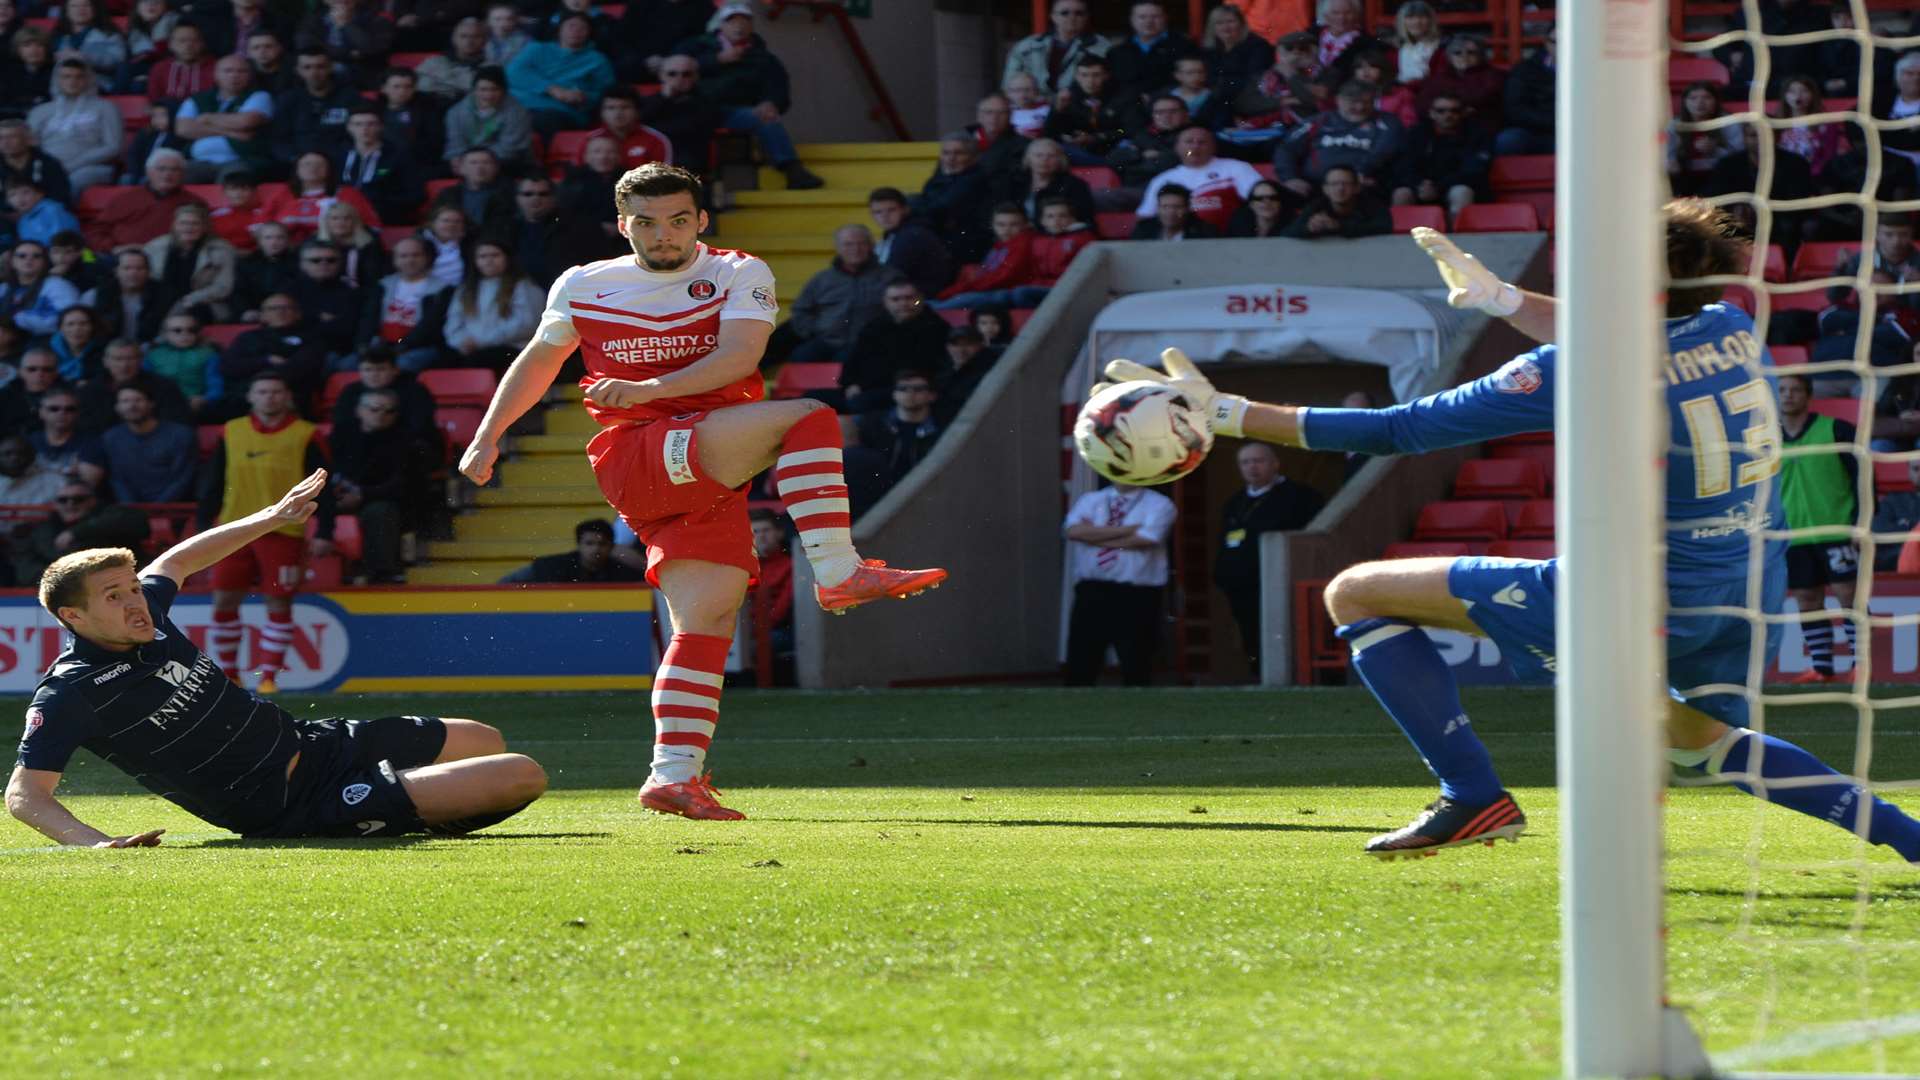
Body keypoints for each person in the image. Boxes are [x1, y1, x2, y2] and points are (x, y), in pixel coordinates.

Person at [1104, 208, 1920, 865]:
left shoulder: (1577, 369)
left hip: (1630, 593)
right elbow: (1631, 329)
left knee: (1356, 592)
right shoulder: (1729, 322)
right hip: (1743, 581)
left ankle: (1472, 796)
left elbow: (1397, 430)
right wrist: (1505, 303)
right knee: (1706, 747)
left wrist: (1223, 413)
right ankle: (1908, 839)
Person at [457, 162, 947, 820]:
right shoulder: (583, 285)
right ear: (622, 224)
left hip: (702, 465)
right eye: (649, 223)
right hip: (639, 450)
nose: (665, 235)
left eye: (679, 220)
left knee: (707, 622)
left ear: (700, 220)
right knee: (809, 417)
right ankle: (837, 570)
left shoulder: (738, 271)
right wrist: (488, 436)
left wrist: (648, 387)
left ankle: (673, 776)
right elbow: (539, 360)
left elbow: (741, 359)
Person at [7, 476, 548, 845]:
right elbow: (24, 796)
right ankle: (388, 811)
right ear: (72, 617)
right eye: (114, 597)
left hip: (316, 743)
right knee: (523, 773)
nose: (135, 603)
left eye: (131, 587)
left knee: (483, 738)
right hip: (291, 805)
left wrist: (273, 516)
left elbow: (179, 558)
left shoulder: (151, 612)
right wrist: (101, 845)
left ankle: (406, 797)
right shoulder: (71, 692)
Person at [199, 372, 335, 693]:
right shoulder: (231, 432)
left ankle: (269, 680)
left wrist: (325, 529)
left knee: (278, 603)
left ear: (287, 397)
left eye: (276, 391)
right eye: (263, 391)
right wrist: (205, 527)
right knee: (224, 601)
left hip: (284, 529)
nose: (269, 397)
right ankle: (231, 674)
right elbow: (213, 482)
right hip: (233, 530)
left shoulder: (306, 434)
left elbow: (324, 489)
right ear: (251, 396)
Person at [678, 5, 823, 190]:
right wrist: (717, 60)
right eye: (732, 21)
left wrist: (770, 103)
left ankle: (792, 169)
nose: (739, 26)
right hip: (698, 109)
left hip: (739, 112)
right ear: (720, 26)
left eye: (745, 21)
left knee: (765, 118)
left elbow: (778, 87)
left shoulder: (764, 57)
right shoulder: (696, 46)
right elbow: (676, 69)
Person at [1775, 373, 1859, 682]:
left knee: (1847, 596)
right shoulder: (1766, 439)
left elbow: (1862, 478)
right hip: (1792, 534)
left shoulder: (1836, 430)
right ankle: (1822, 667)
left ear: (1809, 396)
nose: (1788, 395)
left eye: (1795, 390)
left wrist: (1861, 522)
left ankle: (1860, 663)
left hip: (1837, 529)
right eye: (1782, 390)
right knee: (1806, 600)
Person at [1213, 441, 1322, 676]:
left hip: (1278, 581)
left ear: (1275, 464)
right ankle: (1258, 675)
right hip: (1240, 585)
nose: (1252, 467)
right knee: (1249, 634)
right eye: (1246, 462)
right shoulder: (1234, 502)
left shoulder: (1300, 496)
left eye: (1258, 461)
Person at [1062, 479, 1175, 686]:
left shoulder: (1159, 503)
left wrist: (1094, 536)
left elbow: (1147, 539)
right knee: (1082, 655)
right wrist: (1127, 530)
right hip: (1092, 589)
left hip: (1137, 592)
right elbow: (1073, 531)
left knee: (1136, 657)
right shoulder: (1091, 500)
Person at [328, 386, 427, 583]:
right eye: (374, 409)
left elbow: (402, 484)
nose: (381, 415)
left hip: (379, 500)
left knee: (380, 512)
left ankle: (380, 575)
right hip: (336, 496)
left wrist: (362, 494)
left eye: (388, 411)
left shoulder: (406, 440)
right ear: (359, 410)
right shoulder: (340, 435)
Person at [778, 224, 901, 364]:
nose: (855, 249)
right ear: (838, 248)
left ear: (871, 246)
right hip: (826, 341)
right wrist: (814, 331)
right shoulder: (822, 279)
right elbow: (800, 310)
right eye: (848, 244)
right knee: (800, 358)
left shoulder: (890, 277)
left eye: (861, 243)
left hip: (868, 345)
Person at [1273, 80, 1402, 200]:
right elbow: (1287, 149)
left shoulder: (1387, 122)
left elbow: (1383, 152)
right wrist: (1290, 178)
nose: (1360, 107)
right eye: (1353, 102)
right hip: (1314, 187)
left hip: (1363, 185)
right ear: (1338, 100)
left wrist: (1360, 173)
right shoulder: (1318, 121)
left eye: (1366, 102)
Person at [840, 281, 948, 415]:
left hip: (909, 390)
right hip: (868, 387)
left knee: (859, 404)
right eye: (895, 299)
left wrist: (862, 386)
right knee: (816, 398)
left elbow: (926, 367)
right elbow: (854, 359)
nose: (903, 303)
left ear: (920, 299)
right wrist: (851, 383)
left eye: (909, 298)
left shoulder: (936, 328)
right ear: (885, 302)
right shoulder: (874, 327)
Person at [489, 174, 613, 288]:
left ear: (554, 197)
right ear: (517, 198)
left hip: (568, 296)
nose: (536, 198)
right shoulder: (504, 228)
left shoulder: (581, 228)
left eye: (543, 194)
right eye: (528, 194)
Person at [11, 481, 149, 583]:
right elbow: (26, 569)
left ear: (92, 501)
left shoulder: (111, 518)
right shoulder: (43, 530)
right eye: (63, 500)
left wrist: (77, 532)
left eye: (78, 499)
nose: (70, 504)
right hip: (61, 592)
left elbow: (137, 522)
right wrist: (61, 578)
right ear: (55, 504)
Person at [1136, 126, 1263, 233]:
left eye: (1202, 142)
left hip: (1230, 239)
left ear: (1213, 147)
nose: (1195, 146)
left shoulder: (1237, 168)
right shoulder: (1163, 179)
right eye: (1189, 142)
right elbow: (1145, 216)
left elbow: (1262, 199)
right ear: (1177, 147)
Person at [505, 12, 613, 136]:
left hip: (561, 112)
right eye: (571, 26)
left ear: (589, 33)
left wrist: (584, 97)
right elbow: (513, 73)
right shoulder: (536, 48)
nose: (576, 31)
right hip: (521, 104)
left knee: (541, 121)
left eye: (583, 28)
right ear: (559, 29)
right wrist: (552, 89)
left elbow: (605, 93)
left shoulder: (598, 60)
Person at [357, 236, 452, 372]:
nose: (410, 260)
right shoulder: (382, 286)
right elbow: (368, 319)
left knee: (394, 368)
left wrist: (401, 346)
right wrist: (363, 345)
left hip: (419, 348)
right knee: (348, 365)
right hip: (381, 346)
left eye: (416, 255)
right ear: (395, 260)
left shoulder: (442, 289)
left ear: (427, 258)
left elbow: (430, 326)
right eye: (403, 256)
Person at [174, 54, 274, 183]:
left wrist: (207, 118)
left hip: (240, 161)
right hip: (197, 161)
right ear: (216, 75)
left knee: (233, 179)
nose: (234, 75)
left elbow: (245, 122)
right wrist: (231, 132)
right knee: (172, 174)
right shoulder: (198, 99)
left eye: (241, 71)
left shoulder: (260, 96)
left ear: (249, 75)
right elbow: (183, 129)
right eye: (228, 71)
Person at [443, 239, 540, 370]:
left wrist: (482, 341)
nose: (489, 260)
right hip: (469, 348)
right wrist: (460, 341)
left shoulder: (524, 286)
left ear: (507, 258)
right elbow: (453, 323)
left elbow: (527, 324)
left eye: (495, 255)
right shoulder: (465, 289)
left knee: (478, 362)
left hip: (513, 348)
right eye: (482, 256)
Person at [1391, 92, 1490, 220]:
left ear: (1464, 113)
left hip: (1454, 186)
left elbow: (1474, 170)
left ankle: (1458, 236)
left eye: (1455, 111)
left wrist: (1438, 187)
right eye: (1441, 111)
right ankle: (1400, 238)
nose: (1448, 115)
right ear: (1431, 113)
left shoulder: (1477, 134)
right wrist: (1419, 184)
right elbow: (1403, 165)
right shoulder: (1416, 133)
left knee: (1462, 192)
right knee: (1401, 194)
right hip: (1421, 188)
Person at [26, 60, 119, 189]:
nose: (72, 81)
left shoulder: (106, 108)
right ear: (57, 80)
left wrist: (72, 165)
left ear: (88, 79)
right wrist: (49, 166)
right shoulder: (40, 111)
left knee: (71, 181)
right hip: (47, 166)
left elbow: (113, 147)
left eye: (79, 77)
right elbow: (30, 146)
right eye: (66, 77)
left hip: (90, 167)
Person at [269, 47, 362, 171]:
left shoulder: (350, 98)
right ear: (298, 70)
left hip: (342, 164)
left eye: (320, 67)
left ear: (330, 67)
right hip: (299, 166)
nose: (314, 72)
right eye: (307, 67)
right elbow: (279, 139)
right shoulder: (288, 100)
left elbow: (358, 135)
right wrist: (297, 159)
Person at [221, 294, 327, 403]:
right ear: (262, 315)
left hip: (288, 397)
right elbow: (228, 366)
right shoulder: (248, 337)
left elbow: (298, 369)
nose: (280, 312)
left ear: (297, 314)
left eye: (287, 308)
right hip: (242, 396)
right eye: (273, 308)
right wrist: (267, 360)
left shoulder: (311, 338)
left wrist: (252, 372)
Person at [101, 383, 197, 503]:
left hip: (174, 508)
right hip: (131, 511)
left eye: (138, 400)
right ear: (117, 407)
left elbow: (182, 478)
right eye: (125, 401)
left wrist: (158, 508)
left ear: (151, 404)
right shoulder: (111, 438)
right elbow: (117, 479)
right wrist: (133, 508)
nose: (132, 406)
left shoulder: (180, 435)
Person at [934, 203, 1042, 310]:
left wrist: (958, 290)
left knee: (944, 306)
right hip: (994, 291)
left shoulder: (1022, 244)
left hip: (1005, 292)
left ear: (1025, 225)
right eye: (1001, 224)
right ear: (993, 225)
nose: (1007, 229)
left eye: (1014, 224)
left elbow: (1002, 277)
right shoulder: (1000, 245)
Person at [262, 151, 382, 245]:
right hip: (287, 252)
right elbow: (259, 227)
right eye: (307, 164)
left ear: (329, 169)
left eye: (319, 164)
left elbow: (373, 228)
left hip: (336, 252)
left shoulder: (349, 194)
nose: (313, 168)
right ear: (297, 170)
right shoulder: (282, 194)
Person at [144, 202, 237, 324]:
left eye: (195, 223)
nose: (188, 228)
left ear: (204, 227)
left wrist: (187, 301)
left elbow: (223, 287)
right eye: (183, 223)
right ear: (174, 226)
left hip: (202, 303)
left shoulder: (222, 249)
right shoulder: (155, 247)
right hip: (160, 302)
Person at [911, 133, 994, 263]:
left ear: (972, 157)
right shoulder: (939, 177)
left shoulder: (975, 179)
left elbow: (942, 208)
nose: (951, 158)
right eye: (946, 153)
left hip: (965, 246)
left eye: (958, 153)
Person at [337, 107, 423, 228]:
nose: (364, 129)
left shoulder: (399, 156)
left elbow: (415, 194)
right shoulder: (339, 155)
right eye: (358, 124)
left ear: (381, 126)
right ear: (349, 128)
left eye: (371, 124)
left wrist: (379, 203)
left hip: (385, 218)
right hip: (341, 218)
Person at [331, 344, 438, 438]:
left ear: (395, 370)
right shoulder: (350, 392)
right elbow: (341, 424)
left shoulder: (415, 391)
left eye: (381, 369)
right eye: (367, 369)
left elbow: (420, 426)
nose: (374, 375)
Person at [86, 333, 195, 425]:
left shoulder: (164, 387)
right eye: (117, 359)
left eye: (130, 358)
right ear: (105, 362)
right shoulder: (91, 390)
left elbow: (177, 424)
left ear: (141, 360)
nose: (124, 365)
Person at [867, 186, 954, 301]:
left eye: (891, 210)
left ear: (905, 209)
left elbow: (890, 277)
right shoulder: (895, 234)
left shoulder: (911, 236)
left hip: (921, 300)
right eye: (878, 212)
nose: (884, 216)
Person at [1002, 0, 1109, 93]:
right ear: (1053, 16)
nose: (1072, 17)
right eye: (1064, 13)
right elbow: (1009, 84)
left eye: (1079, 13)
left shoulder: (1102, 47)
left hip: (1080, 110)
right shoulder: (1027, 46)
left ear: (1087, 17)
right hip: (1034, 108)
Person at [499, 518, 648, 584]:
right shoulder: (551, 566)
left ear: (611, 546)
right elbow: (505, 583)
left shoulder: (625, 573)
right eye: (589, 543)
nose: (596, 548)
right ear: (579, 545)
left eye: (602, 544)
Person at [1108, 1, 1196, 110]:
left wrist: (1155, 97)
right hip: (1128, 110)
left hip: (1173, 108)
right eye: (1142, 17)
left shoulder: (1184, 47)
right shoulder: (1117, 52)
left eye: (1155, 16)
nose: (1149, 22)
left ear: (1165, 18)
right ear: (1132, 20)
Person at [1043, 54, 1129, 166]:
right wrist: (1057, 110)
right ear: (1077, 76)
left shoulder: (1122, 96)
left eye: (1096, 75)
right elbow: (1050, 135)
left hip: (1114, 150)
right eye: (1084, 75)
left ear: (1106, 75)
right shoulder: (1068, 97)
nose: (1090, 81)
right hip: (1080, 152)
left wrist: (1098, 137)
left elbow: (1127, 130)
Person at [1667, 81, 1745, 198]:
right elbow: (1667, 155)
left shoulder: (1729, 122)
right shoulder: (1674, 125)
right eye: (1693, 98)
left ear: (1715, 101)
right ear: (1685, 102)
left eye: (1707, 97)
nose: (1700, 103)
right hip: (1684, 178)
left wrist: (1716, 150)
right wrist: (1672, 163)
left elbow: (1740, 157)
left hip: (1720, 177)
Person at [1415, 33, 1504, 130]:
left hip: (1479, 124)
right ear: (1449, 57)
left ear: (1481, 55)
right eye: (1457, 53)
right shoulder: (1438, 77)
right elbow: (1423, 105)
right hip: (1439, 126)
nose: (1464, 56)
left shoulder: (1493, 75)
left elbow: (1484, 97)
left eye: (1471, 52)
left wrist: (1450, 104)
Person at [1280, 164, 1390, 238]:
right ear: (1325, 189)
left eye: (1346, 183)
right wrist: (1309, 228)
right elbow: (1288, 232)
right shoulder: (1317, 206)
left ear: (1357, 188)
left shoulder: (1373, 205)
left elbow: (1384, 228)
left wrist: (1339, 226)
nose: (1340, 189)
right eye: (1334, 184)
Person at [577, 86, 671, 172]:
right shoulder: (591, 140)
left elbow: (661, 180)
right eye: (611, 108)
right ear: (601, 113)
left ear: (637, 111)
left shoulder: (656, 140)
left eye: (625, 107)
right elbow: (579, 175)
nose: (618, 113)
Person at [1006, 137, 1095, 227]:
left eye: (1051, 156)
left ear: (1060, 160)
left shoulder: (1075, 185)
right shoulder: (1014, 182)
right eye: (1039, 155)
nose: (1044, 160)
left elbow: (1081, 218)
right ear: (1028, 159)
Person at [613, 0, 710, 83]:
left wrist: (671, 61)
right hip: (641, 64)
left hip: (683, 65)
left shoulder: (702, 6)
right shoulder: (640, 4)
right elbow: (621, 39)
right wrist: (644, 60)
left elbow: (705, 41)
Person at [0, 240, 80, 336]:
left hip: (44, 340)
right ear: (13, 262)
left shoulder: (59, 286)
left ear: (44, 262)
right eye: (22, 256)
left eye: (36, 256)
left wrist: (17, 319)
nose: (29, 259)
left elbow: (68, 321)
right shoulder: (4, 288)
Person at [1495, 28, 1555, 156]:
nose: (1561, 47)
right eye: (1554, 42)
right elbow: (1515, 109)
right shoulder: (1524, 70)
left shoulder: (1591, 69)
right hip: (1535, 131)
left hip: (1578, 132)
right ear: (1546, 43)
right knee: (1508, 141)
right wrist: (1552, 121)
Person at [1202, 1, 1275, 105]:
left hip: (1248, 98)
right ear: (1212, 28)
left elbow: (1254, 80)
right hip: (1216, 98)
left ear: (1242, 23)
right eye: (1219, 23)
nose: (1225, 27)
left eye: (1230, 21)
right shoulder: (1209, 49)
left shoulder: (1258, 46)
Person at [229, 220, 302, 321]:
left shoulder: (300, 262)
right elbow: (238, 292)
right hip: (255, 314)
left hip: (289, 313)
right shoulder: (246, 263)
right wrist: (245, 311)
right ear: (259, 241)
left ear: (287, 240)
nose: (274, 242)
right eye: (268, 238)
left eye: (280, 237)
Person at [1110, 94, 1188, 189]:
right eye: (1160, 112)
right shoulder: (1143, 134)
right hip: (1134, 187)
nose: (1166, 116)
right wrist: (1139, 153)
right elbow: (1114, 158)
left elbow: (1183, 159)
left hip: (1172, 189)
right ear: (1152, 115)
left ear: (1185, 113)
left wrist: (1144, 161)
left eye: (1173, 111)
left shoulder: (1195, 134)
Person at [50, 0, 127, 92]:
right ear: (66, 11)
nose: (80, 9)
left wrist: (84, 57)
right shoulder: (58, 36)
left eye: (86, 5)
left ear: (94, 9)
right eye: (74, 6)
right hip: (60, 86)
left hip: (99, 85)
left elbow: (119, 58)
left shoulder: (109, 33)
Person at [964, 93, 1031, 188]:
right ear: (979, 116)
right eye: (989, 112)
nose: (994, 117)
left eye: (1001, 113)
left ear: (1010, 116)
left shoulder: (1023, 145)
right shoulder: (961, 141)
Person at [0, 117, 71, 206]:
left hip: (43, 215)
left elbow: (60, 198)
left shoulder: (49, 164)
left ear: (29, 140)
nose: (5, 142)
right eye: (1, 138)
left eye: (12, 137)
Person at [319, 199, 388, 290]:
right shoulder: (316, 244)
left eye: (347, 218)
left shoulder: (369, 244)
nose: (341, 222)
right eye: (335, 218)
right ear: (326, 222)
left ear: (355, 221)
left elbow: (374, 279)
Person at [934, 324, 998, 423]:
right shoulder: (942, 371)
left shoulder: (989, 372)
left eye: (968, 344)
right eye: (955, 344)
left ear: (981, 345)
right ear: (947, 347)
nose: (961, 350)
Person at [415, 16, 487, 101]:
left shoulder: (490, 67)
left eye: (476, 36)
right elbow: (415, 84)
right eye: (463, 36)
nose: (469, 41)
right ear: (454, 39)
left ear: (484, 40)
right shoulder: (434, 61)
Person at [205, 165, 271, 255]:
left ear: (254, 191)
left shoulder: (265, 213)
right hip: (222, 255)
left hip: (257, 258)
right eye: (233, 189)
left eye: (244, 189)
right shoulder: (214, 215)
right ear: (225, 192)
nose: (238, 193)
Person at [5, 174, 79, 246]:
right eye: (13, 195)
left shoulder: (52, 209)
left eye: (26, 192)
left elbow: (61, 240)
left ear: (39, 194)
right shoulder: (22, 222)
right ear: (8, 201)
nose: (20, 198)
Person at [147, 21, 214, 101]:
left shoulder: (214, 68)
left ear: (202, 44)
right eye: (182, 41)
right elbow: (152, 102)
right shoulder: (159, 69)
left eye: (194, 40)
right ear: (171, 44)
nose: (188, 46)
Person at [0, 346, 62, 432]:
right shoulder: (4, 396)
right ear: (21, 372)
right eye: (32, 369)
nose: (39, 374)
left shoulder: (70, 396)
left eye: (47, 369)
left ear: (56, 372)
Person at [1130, 182, 1218, 240]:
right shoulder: (1144, 230)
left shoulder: (1204, 231)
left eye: (1177, 207)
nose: (1171, 212)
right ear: (1157, 208)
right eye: (1165, 207)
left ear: (1187, 208)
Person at [0, 432, 66, 505]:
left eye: (21, 453)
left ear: (31, 457)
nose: (14, 458)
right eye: (7, 454)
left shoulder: (55, 482)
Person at [46, 304, 105, 385]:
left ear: (92, 327)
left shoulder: (105, 352)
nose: (77, 329)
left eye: (83, 324)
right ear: (61, 328)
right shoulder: (46, 352)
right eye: (70, 324)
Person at [1393, 1, 1442, 84]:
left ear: (1431, 20)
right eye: (1410, 17)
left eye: (1422, 17)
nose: (1417, 22)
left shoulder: (1440, 47)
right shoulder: (1397, 47)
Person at [1226, 178, 1292, 237]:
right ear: (1251, 204)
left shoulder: (1292, 227)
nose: (1266, 203)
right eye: (1259, 198)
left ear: (1280, 203)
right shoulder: (1238, 226)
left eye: (1273, 198)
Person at [1004, 71, 1051, 139]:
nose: (1023, 94)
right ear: (1008, 93)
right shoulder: (1004, 111)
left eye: (1027, 90)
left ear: (1036, 91)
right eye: (1017, 90)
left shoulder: (1046, 110)